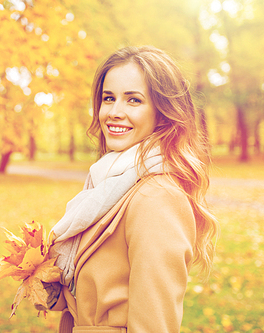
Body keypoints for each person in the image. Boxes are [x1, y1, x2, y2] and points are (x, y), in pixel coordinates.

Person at [45, 46, 219, 333]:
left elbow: (154, 323)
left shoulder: (157, 197)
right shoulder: (110, 184)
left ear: (163, 113)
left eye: (133, 100)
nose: (114, 112)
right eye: (108, 98)